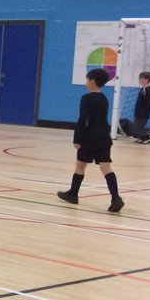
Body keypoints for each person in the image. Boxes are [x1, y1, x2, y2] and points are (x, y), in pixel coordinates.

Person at [57, 67, 124, 212]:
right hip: (104, 138)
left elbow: (83, 120)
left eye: (87, 80)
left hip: (89, 138)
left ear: (92, 81)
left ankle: (73, 194)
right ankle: (116, 198)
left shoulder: (86, 98)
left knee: (80, 165)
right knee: (106, 167)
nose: (86, 83)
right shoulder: (104, 99)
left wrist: (77, 138)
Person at [119, 71, 150, 144]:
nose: (139, 80)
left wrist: (142, 113)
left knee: (139, 126)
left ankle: (146, 138)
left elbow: (147, 104)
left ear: (146, 80)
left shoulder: (147, 90)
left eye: (141, 78)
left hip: (143, 113)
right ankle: (142, 137)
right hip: (140, 112)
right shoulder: (143, 89)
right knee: (139, 126)